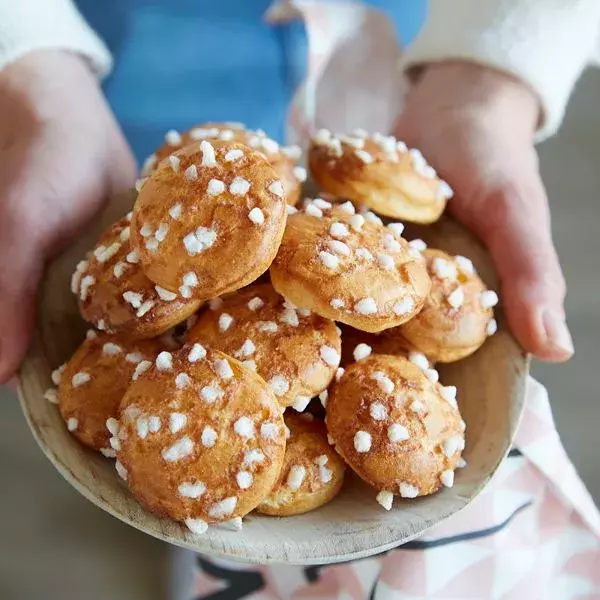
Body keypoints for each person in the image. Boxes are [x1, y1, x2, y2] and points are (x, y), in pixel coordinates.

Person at [1, 1, 600, 598]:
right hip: (127, 83)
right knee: (174, 494)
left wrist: (491, 73)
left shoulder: (353, 282)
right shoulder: (182, 225)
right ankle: (192, 547)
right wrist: (34, 78)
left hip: (398, 68)